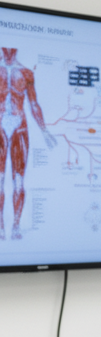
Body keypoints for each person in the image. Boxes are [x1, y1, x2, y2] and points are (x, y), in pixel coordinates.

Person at [0, 47, 56, 240]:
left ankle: (15, 226)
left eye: (11, 49)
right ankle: (0, 226)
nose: (8, 52)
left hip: (19, 128)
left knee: (18, 182)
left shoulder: (26, 73)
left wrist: (44, 129)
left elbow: (33, 103)